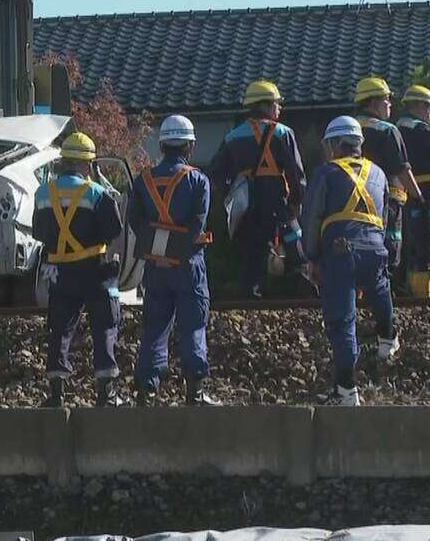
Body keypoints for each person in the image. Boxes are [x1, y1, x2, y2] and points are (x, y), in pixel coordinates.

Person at [301, 116, 399, 407]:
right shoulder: (379, 174)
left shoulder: (326, 172)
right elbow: (384, 217)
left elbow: (312, 217)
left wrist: (312, 256)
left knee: (342, 319)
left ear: (333, 144)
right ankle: (387, 336)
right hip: (375, 246)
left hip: (340, 251)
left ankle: (346, 390)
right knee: (380, 288)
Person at [32, 132, 125, 408]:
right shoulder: (98, 194)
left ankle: (57, 394)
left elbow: (38, 232)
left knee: (60, 329)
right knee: (105, 326)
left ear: (63, 162)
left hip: (60, 271)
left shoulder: (42, 193)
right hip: (95, 269)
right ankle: (106, 394)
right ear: (87, 165)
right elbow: (114, 231)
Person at [130, 115, 218, 406]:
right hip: (189, 265)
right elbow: (197, 225)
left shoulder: (143, 181)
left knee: (155, 325)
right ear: (190, 146)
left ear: (162, 144)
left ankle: (148, 389)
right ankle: (195, 390)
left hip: (156, 266)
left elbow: (135, 222)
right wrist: (178, 247)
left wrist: (160, 246)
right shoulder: (198, 181)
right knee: (193, 324)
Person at [207, 80, 316, 299]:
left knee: (251, 260)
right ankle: (304, 303)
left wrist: (233, 193)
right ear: (266, 105)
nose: (280, 108)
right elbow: (296, 174)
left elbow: (216, 175)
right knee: (297, 254)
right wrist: (297, 202)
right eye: (277, 103)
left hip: (248, 207)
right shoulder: (284, 133)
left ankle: (250, 306)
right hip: (279, 203)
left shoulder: (232, 137)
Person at [354, 77, 422, 282]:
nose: (389, 104)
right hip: (388, 202)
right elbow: (402, 169)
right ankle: (383, 300)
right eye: (386, 100)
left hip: (353, 203)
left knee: (359, 249)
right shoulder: (388, 130)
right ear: (373, 102)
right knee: (389, 249)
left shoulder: (350, 129)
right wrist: (418, 196)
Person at [396, 85, 430, 297]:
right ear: (420, 106)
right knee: (428, 243)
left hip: (409, 192)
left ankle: (411, 291)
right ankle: (423, 298)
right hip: (427, 192)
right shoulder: (420, 129)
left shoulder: (399, 130)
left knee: (414, 244)